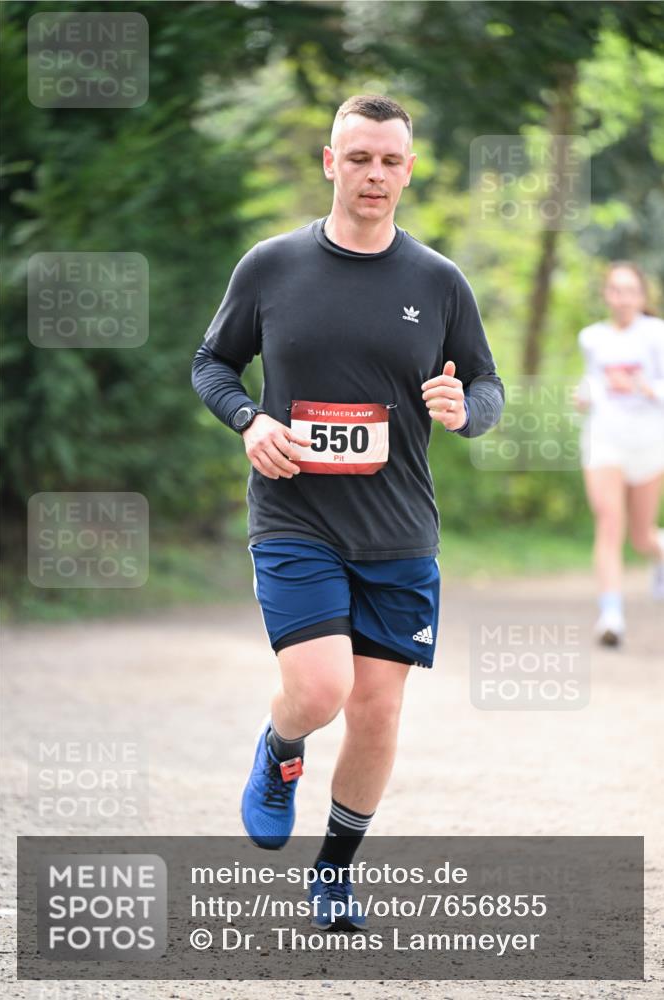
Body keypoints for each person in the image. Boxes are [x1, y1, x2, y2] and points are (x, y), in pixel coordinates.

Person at [191, 94, 504, 930]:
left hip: (399, 528)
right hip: (295, 515)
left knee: (376, 709)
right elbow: (212, 363)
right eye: (358, 157)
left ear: (409, 170)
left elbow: (485, 382)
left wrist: (465, 410)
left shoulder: (437, 281)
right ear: (331, 162)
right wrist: (249, 420)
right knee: (321, 688)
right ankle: (280, 748)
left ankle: (333, 872)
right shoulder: (271, 266)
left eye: (390, 160)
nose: (374, 174)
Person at [576, 260, 664, 646]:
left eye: (630, 291)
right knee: (610, 522)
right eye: (615, 290)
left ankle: (658, 554)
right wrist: (584, 395)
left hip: (649, 442)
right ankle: (611, 616)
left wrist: (648, 389)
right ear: (606, 295)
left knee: (641, 537)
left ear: (642, 296)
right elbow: (594, 381)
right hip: (604, 440)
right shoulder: (592, 337)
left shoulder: (657, 334)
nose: (622, 298)